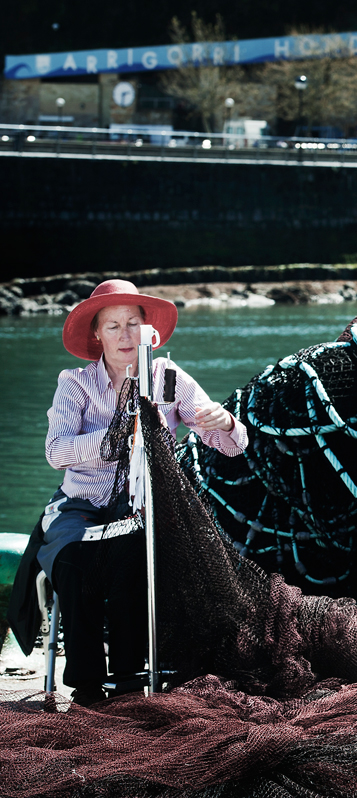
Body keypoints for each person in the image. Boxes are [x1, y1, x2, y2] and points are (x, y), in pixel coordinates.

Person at [37, 280, 249, 706]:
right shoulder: (75, 383)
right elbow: (56, 451)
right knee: (74, 563)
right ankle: (86, 685)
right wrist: (116, 438)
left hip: (146, 506)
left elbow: (232, 446)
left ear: (148, 330)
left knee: (143, 558)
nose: (125, 335)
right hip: (81, 506)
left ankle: (131, 678)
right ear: (97, 334)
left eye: (133, 323)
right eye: (112, 326)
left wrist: (225, 421)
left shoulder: (167, 377)